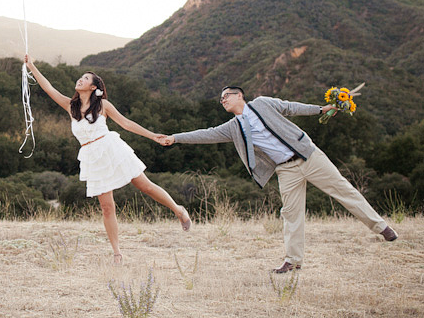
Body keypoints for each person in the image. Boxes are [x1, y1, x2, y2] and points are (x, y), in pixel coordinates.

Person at [159, 86, 398, 273]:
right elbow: (207, 134)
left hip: (308, 155)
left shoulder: (262, 104)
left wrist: (320, 109)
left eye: (226, 96)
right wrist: (175, 138)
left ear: (239, 95)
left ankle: (383, 228)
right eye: (221, 100)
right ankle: (293, 261)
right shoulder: (233, 127)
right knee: (291, 214)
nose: (223, 101)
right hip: (286, 170)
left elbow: (290, 107)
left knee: (344, 191)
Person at [24, 55, 191, 265]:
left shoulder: (103, 105)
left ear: (94, 87)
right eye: (80, 77)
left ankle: (178, 210)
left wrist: (153, 135)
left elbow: (127, 124)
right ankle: (117, 253)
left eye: (85, 78)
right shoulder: (71, 106)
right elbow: (49, 88)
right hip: (92, 157)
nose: (80, 80)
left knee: (144, 186)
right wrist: (31, 67)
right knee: (107, 207)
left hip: (111, 149)